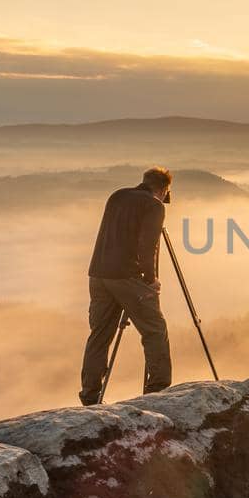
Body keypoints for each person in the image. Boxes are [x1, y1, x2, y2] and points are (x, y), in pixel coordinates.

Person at [79, 166, 173, 403]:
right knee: (155, 330)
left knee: (100, 334)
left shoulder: (117, 196)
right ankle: (158, 390)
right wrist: (151, 280)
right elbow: (147, 246)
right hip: (127, 277)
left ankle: (90, 394)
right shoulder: (153, 205)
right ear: (163, 189)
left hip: (99, 275)